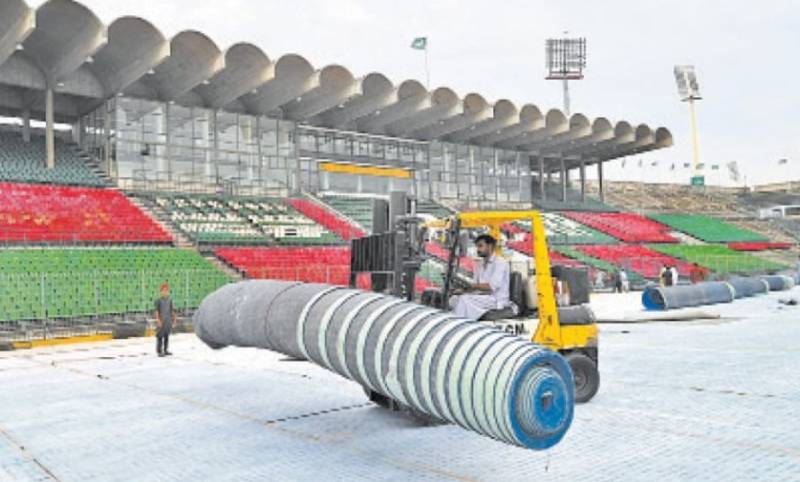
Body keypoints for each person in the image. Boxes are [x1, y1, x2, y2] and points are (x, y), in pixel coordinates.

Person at [449, 234, 513, 320]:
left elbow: (491, 287)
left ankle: (457, 324)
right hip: (482, 296)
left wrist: (471, 286)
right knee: (454, 299)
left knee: (464, 300)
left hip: (496, 299)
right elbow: (476, 285)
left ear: (490, 246)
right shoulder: (479, 264)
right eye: (477, 247)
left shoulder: (500, 263)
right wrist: (463, 290)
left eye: (480, 246)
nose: (478, 250)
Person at [155, 283, 176, 356]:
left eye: (166, 290)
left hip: (168, 320)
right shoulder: (158, 300)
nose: (165, 292)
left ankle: (166, 350)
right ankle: (159, 351)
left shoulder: (170, 300)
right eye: (163, 290)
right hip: (161, 321)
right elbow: (157, 311)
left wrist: (174, 320)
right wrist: (158, 320)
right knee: (160, 336)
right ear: (161, 291)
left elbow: (172, 311)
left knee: (167, 336)